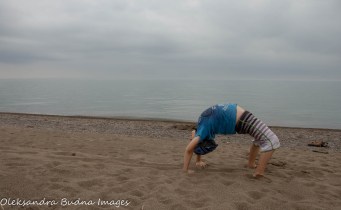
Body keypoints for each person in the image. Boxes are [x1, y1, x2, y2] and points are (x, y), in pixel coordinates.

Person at [183, 103, 280, 177]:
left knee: (272, 140)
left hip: (242, 120)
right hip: (240, 116)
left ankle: (258, 172)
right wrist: (198, 161)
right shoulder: (201, 125)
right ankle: (253, 166)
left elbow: (189, 149)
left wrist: (185, 170)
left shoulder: (202, 132)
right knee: (261, 138)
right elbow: (197, 143)